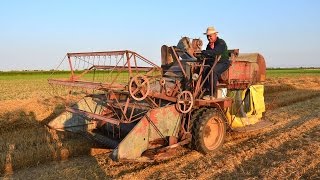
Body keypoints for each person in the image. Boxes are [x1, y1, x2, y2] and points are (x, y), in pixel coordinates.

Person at [201, 26, 230, 100]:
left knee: (213, 71)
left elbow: (215, 52)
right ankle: (206, 90)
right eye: (207, 36)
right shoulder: (209, 45)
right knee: (203, 70)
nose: (209, 38)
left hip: (223, 62)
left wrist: (203, 52)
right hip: (213, 62)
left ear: (215, 35)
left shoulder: (221, 43)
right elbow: (207, 55)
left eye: (210, 36)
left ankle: (212, 94)